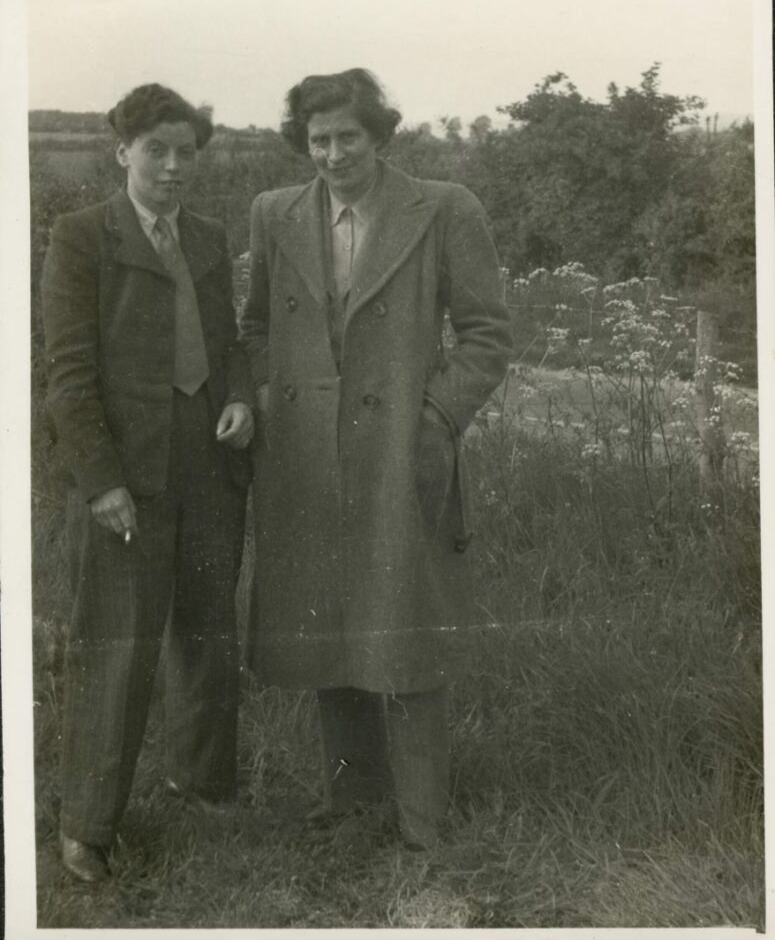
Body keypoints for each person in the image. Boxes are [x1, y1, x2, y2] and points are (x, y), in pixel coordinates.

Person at [240, 68, 512, 850]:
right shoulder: (273, 214)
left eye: (346, 137)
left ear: (379, 135)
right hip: (303, 455)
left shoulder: (443, 208)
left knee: (404, 626)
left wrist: (434, 419)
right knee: (326, 621)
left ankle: (425, 822)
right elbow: (255, 326)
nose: (331, 155)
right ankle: (353, 799)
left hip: (398, 453)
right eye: (317, 140)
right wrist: (270, 397)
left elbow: (487, 335)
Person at [41, 83, 254, 882]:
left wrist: (237, 396)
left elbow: (228, 340)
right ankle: (87, 826)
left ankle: (202, 783)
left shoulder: (204, 235)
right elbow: (66, 375)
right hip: (126, 478)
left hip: (206, 464)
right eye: (155, 150)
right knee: (118, 646)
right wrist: (100, 482)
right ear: (122, 150)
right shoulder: (81, 237)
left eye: (185, 152)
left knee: (206, 632)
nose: (172, 167)